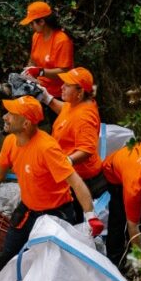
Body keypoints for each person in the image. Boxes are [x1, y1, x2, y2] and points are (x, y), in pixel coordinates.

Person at [0, 96, 100, 278]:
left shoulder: (46, 148)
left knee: (51, 266)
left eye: (11, 114)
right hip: (28, 210)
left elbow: (75, 181)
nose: (5, 117)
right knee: (7, 255)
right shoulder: (10, 141)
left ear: (25, 124)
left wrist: (90, 215)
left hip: (56, 214)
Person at [33, 66, 105, 197]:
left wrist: (65, 162)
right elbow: (66, 111)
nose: (62, 87)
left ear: (80, 92)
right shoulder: (76, 104)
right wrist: (46, 98)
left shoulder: (85, 117)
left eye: (67, 85)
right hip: (68, 172)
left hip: (82, 179)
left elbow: (86, 150)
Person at [19, 1, 74, 104]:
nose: (31, 26)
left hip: (58, 95)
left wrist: (41, 72)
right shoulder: (36, 36)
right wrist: (27, 74)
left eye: (32, 23)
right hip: (39, 89)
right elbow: (33, 60)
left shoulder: (62, 40)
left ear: (42, 22)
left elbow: (64, 72)